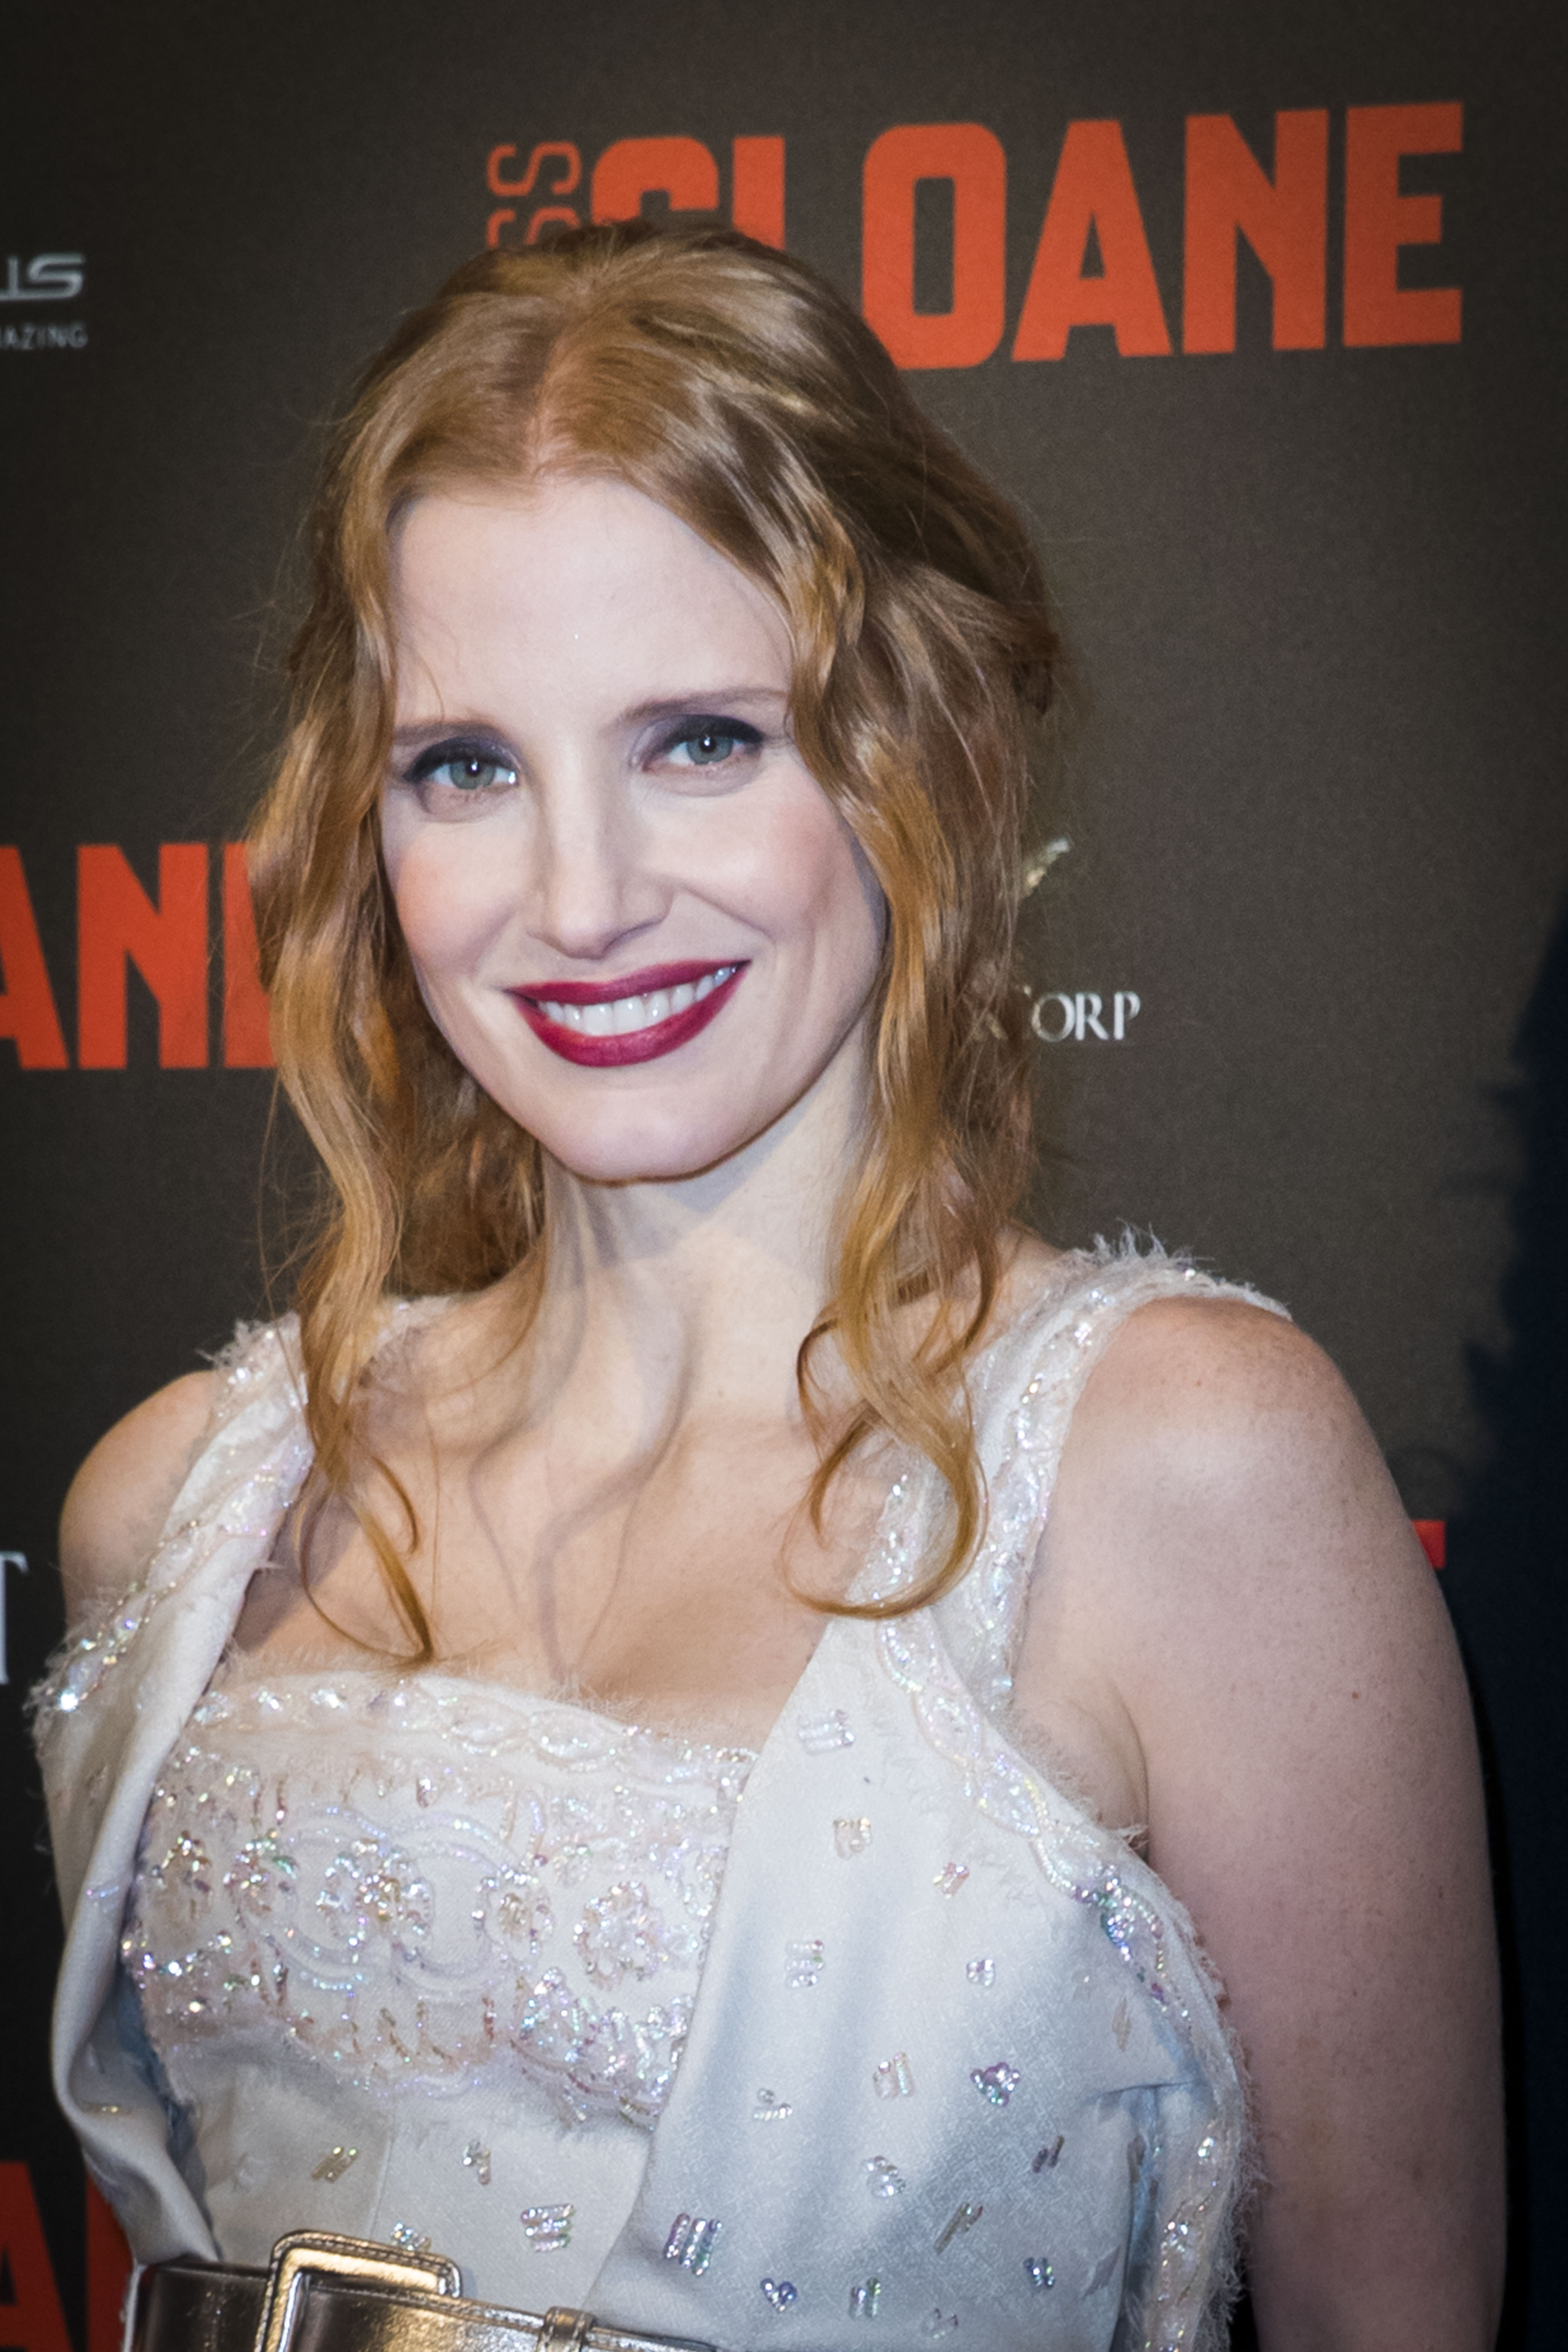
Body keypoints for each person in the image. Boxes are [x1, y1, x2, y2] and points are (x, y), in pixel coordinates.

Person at [35, 223, 1501, 2352]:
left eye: (700, 741)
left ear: (916, 746)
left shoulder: (1180, 1470)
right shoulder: (178, 1509)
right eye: (466, 765)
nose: (581, 898)